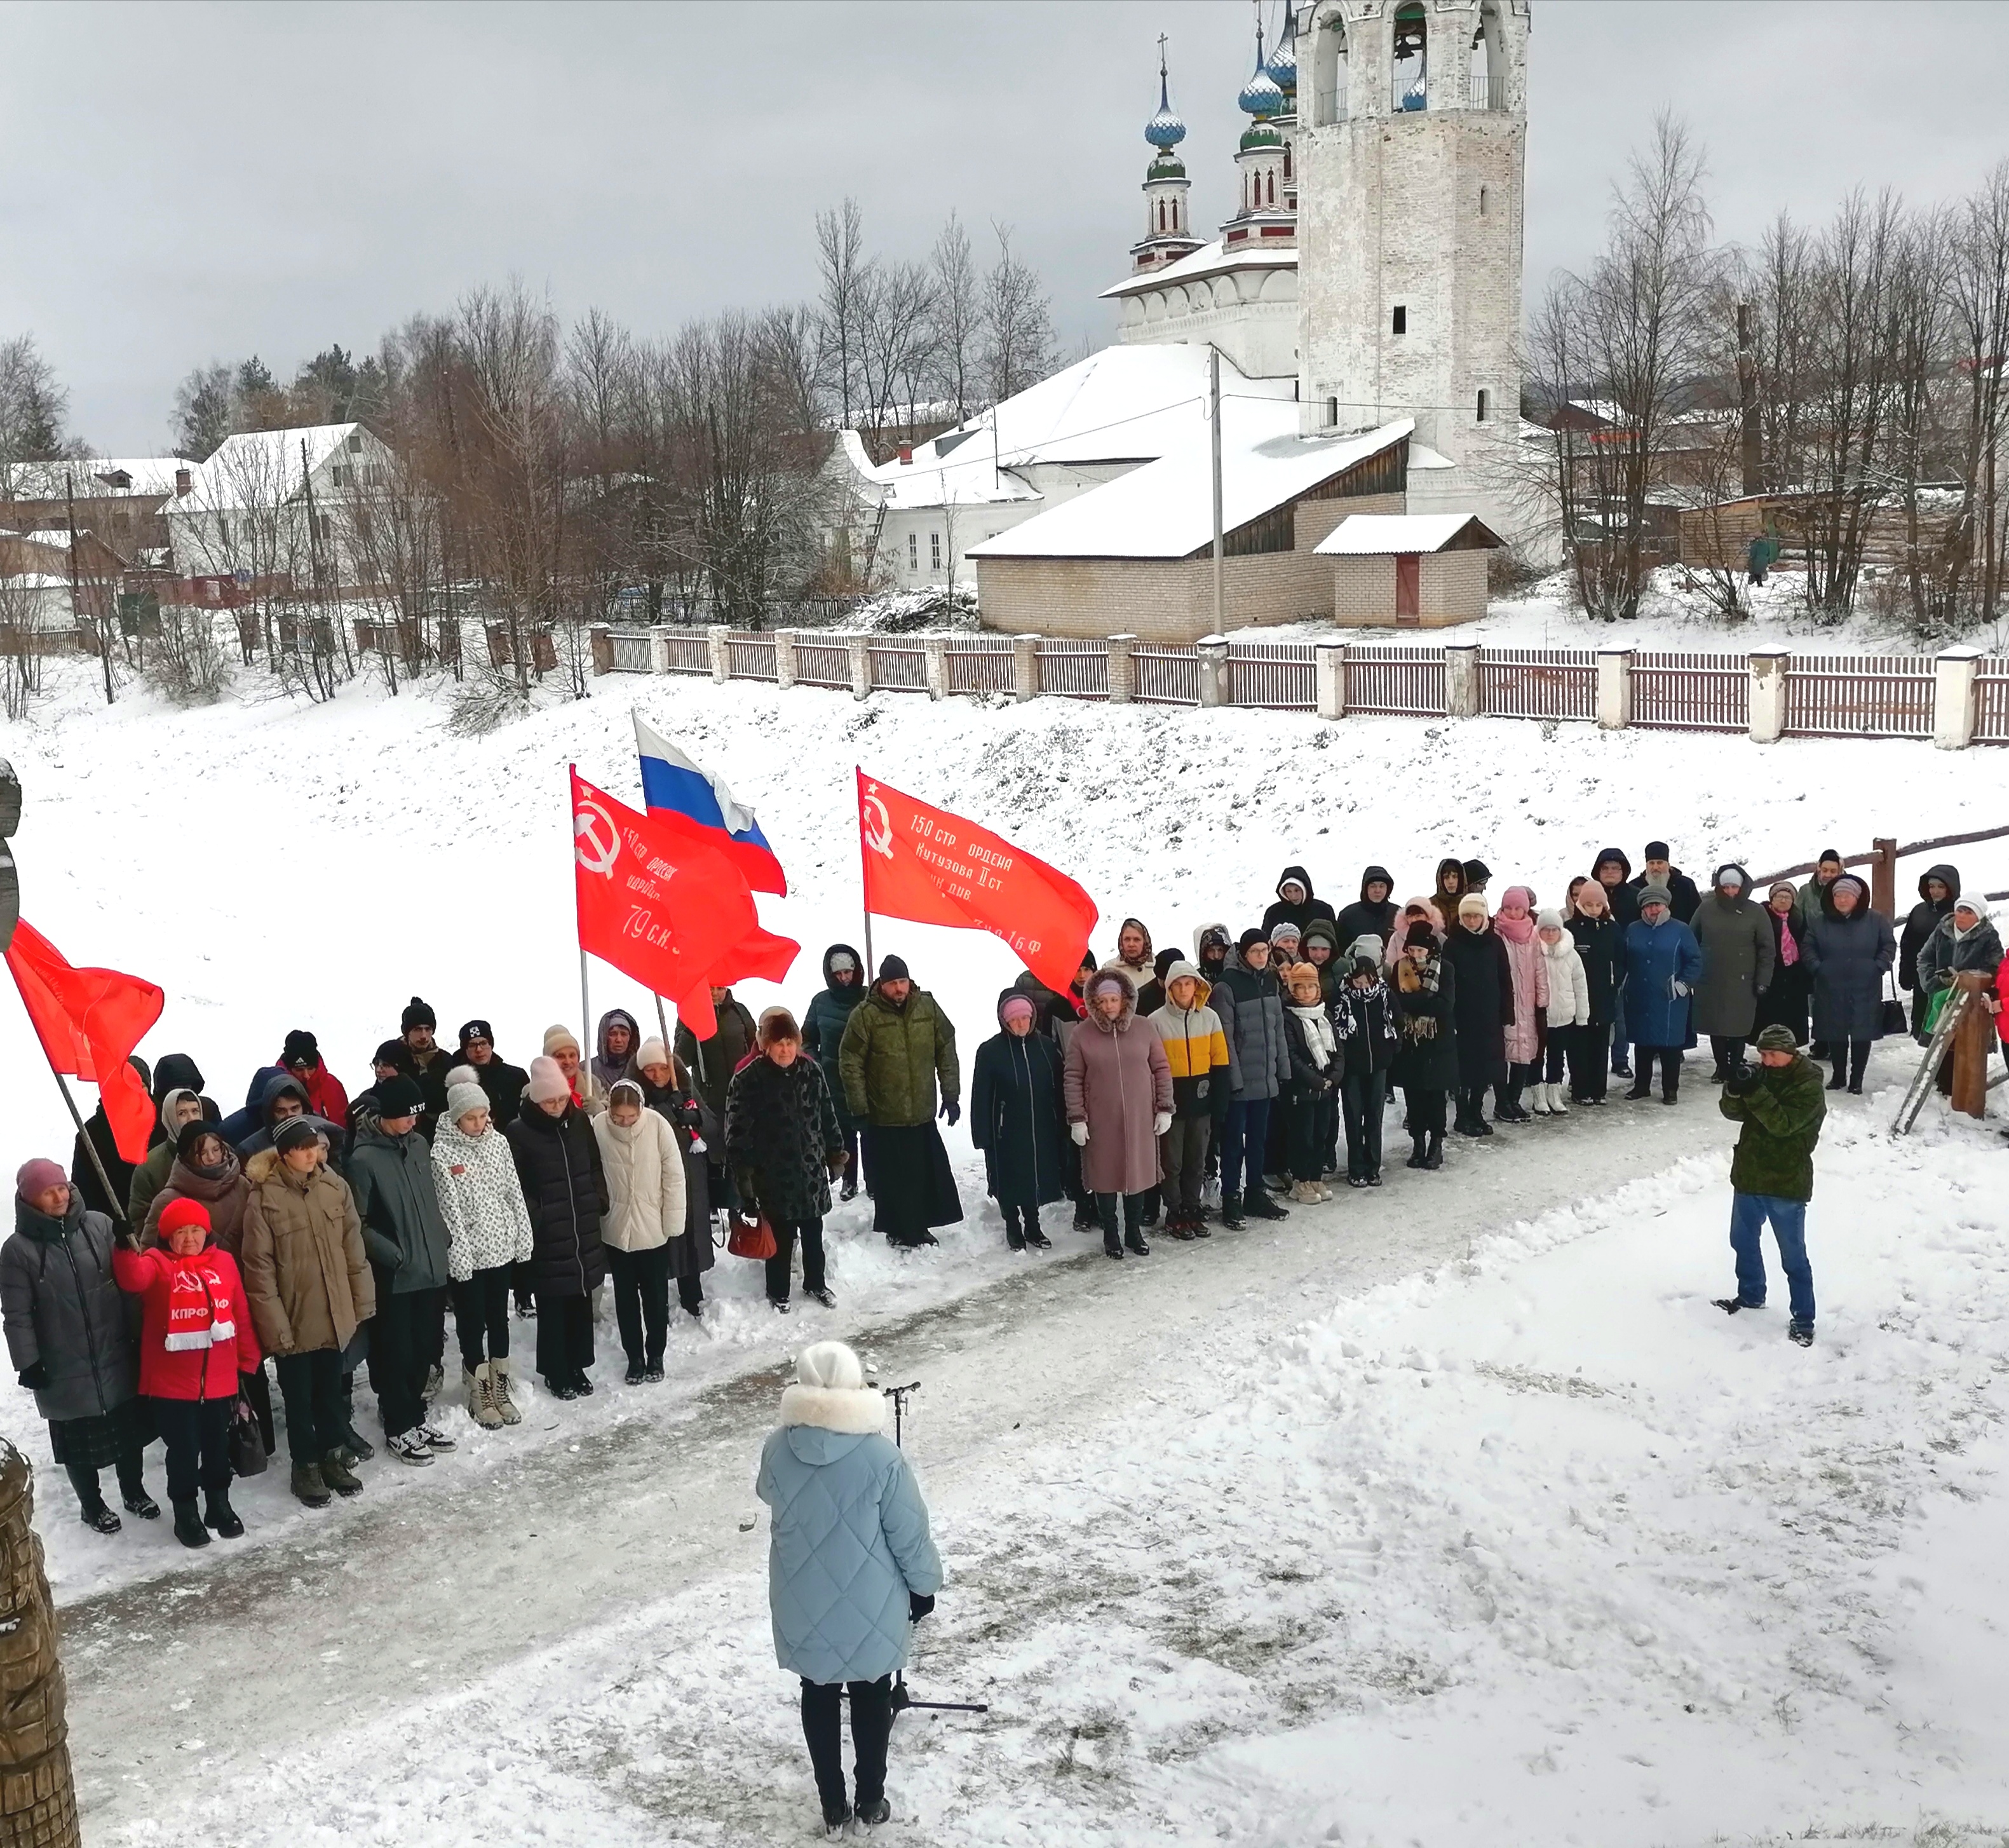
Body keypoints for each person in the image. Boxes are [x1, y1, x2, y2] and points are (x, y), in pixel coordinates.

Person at [756, 1342, 942, 1837]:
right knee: (870, 1691)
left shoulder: (777, 1447)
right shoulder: (882, 1456)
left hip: (802, 1597)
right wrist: (924, 1588)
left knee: (817, 1692)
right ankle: (870, 1801)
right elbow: (910, 1533)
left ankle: (832, 1805)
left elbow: (767, 1493)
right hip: (870, 1599)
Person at [3, 1159, 158, 1533]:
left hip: (114, 1347)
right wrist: (29, 1362)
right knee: (77, 1441)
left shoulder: (100, 1226)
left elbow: (126, 1284)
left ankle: (133, 1491)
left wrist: (140, 1330)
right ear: (29, 1199)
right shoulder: (18, 1251)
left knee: (128, 1430)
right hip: (62, 1361)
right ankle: (92, 1505)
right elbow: (17, 1314)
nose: (59, 1196)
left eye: (62, 1187)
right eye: (47, 1192)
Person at [112, 1197, 259, 1550]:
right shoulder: (157, 1263)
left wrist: (248, 1358)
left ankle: (219, 1504)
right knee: (183, 1449)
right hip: (173, 1386)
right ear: (167, 1237)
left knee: (216, 1446)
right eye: (181, 1232)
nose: (190, 1238)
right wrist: (122, 1247)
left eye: (196, 1230)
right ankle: (186, 1512)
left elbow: (238, 1311)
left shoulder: (223, 1262)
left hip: (219, 1379)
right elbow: (133, 1279)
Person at [241, 1118, 374, 1505]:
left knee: (331, 1393)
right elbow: (259, 1270)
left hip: (333, 1313)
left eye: (314, 1146)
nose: (311, 1154)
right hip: (295, 1319)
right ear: (284, 1154)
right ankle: (305, 1466)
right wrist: (276, 1326)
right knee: (299, 1400)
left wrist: (360, 1301)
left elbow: (353, 1247)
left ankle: (333, 1457)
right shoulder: (263, 1197)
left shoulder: (334, 1187)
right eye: (302, 1148)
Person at [349, 1074, 457, 1460]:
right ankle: (398, 1424)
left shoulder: (419, 1145)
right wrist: (394, 1255)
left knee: (427, 1348)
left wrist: (440, 1237)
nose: (413, 1122)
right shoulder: (363, 1159)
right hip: (395, 1276)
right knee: (397, 1352)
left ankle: (417, 1416)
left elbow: (430, 1200)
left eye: (416, 1116)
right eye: (406, 1117)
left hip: (430, 1268)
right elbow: (356, 1223)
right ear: (386, 1116)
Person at [838, 956, 962, 1250]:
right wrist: (859, 1108)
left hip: (921, 1110)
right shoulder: (865, 1015)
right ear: (881, 984)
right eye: (893, 983)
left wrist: (951, 1094)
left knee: (924, 1174)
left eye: (902, 981)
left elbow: (946, 1046)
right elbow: (850, 1061)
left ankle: (920, 1226)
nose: (899, 988)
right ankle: (897, 1229)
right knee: (894, 1178)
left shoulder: (927, 1007)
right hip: (885, 1113)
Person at [1715, 1023, 1827, 1347]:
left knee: (1793, 1256)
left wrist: (1754, 1092)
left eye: (1772, 1055)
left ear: (1790, 1054)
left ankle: (1804, 1319)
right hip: (1750, 1174)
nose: (1765, 1061)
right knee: (1742, 1241)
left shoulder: (1809, 1086)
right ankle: (1751, 1295)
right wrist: (1734, 1088)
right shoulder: (1760, 1075)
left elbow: (1783, 1125)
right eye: (1762, 1054)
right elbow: (1732, 1112)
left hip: (1786, 1180)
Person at [727, 1010, 846, 1311]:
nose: (785, 1050)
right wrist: (744, 1177)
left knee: (813, 1233)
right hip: (772, 1175)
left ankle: (816, 1284)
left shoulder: (812, 1072)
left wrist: (835, 1154)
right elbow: (737, 1132)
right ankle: (778, 1291)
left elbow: (827, 1116)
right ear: (766, 1045)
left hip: (810, 1172)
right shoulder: (748, 1079)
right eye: (778, 1044)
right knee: (779, 1238)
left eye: (790, 1043)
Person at [431, 1078, 534, 1423]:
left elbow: (513, 1192)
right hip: (470, 1254)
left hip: (500, 1247)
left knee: (498, 1318)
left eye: (483, 1116)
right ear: (457, 1118)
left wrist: (522, 1234)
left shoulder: (499, 1144)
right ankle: (479, 1389)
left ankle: (500, 1381)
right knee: (472, 1322)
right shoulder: (442, 1153)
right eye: (471, 1118)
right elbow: (449, 1210)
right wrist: (458, 1254)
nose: (479, 1124)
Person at [506, 1057, 609, 1398]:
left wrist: (598, 1198)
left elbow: (594, 1165)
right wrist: (541, 1217)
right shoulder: (519, 1132)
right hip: (549, 1233)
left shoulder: (578, 1121)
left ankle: (578, 1365)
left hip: (582, 1226)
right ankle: (555, 1371)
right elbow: (518, 1186)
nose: (558, 1106)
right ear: (536, 1100)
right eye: (551, 1101)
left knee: (580, 1301)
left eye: (562, 1099)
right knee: (554, 1306)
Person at [1065, 969, 1174, 1258]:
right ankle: (1111, 1233)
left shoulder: (1144, 1028)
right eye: (1104, 1001)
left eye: (1115, 999)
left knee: (1136, 1174)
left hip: (1140, 1118)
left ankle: (1133, 1232)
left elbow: (1161, 1069)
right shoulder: (1081, 1034)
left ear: (1125, 999)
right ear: (1095, 1003)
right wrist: (1077, 1118)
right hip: (1101, 1119)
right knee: (1105, 1176)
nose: (1110, 1005)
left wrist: (1164, 1108)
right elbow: (1073, 1077)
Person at [593, 1077, 688, 1371]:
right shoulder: (598, 1127)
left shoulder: (658, 1126)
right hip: (616, 1229)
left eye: (631, 1117)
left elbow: (673, 1176)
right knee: (625, 1298)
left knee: (656, 1297)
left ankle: (656, 1354)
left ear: (641, 1110)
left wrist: (672, 1221)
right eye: (618, 1117)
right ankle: (634, 1356)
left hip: (652, 1229)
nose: (624, 1122)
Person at [968, 992, 1066, 1251]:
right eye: (1015, 1019)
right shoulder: (990, 1052)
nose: (1022, 1023)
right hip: (1005, 1130)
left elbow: (1059, 1088)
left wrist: (1063, 1123)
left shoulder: (1045, 1047)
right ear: (1005, 1021)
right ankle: (1012, 1226)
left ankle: (1033, 1226)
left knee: (1034, 1175)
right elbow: (981, 1096)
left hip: (1040, 1125)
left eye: (1026, 1017)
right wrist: (982, 1134)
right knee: (1009, 1179)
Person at [1211, 930, 1291, 1229]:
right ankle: (1231, 1196)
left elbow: (1278, 1028)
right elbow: (1226, 1039)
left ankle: (1255, 1192)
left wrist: (1282, 1069)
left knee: (1259, 1139)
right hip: (1241, 1082)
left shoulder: (1270, 980)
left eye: (1264, 951)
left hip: (1265, 1078)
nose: (1261, 956)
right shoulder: (1227, 986)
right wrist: (1233, 1079)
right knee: (1234, 1144)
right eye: (1255, 951)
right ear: (1244, 953)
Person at [1146, 960, 1231, 1237]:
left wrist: (1220, 1101)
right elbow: (1151, 1067)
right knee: (1172, 1163)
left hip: (1202, 1102)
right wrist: (1159, 1104)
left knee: (1197, 1161)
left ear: (1197, 986)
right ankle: (1174, 1210)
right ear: (1169, 988)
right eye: (1178, 985)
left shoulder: (1210, 1018)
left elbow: (1220, 1062)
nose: (1184, 989)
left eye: (1189, 983)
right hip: (1171, 1105)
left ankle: (1192, 1208)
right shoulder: (1155, 1022)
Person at [634, 1038, 715, 1317]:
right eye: (649, 1070)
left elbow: (713, 1125)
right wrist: (670, 1111)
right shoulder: (639, 1101)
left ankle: (692, 1293)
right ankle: (658, 1301)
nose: (657, 1076)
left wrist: (697, 1117)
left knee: (689, 1231)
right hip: (656, 1177)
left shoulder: (686, 1090)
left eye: (662, 1068)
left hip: (691, 1173)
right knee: (661, 1237)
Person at [1801, 874, 1896, 1094]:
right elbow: (1808, 947)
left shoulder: (1876, 920)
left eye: (1847, 895)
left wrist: (1878, 966)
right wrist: (1818, 968)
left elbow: (1889, 945)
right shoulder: (1820, 921)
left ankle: (1857, 1079)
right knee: (1836, 1033)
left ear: (1858, 897)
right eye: (1838, 895)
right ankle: (1838, 1076)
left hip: (1866, 986)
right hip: (1830, 986)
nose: (1842, 900)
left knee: (1862, 1034)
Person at [1691, 865, 1776, 1082]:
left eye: (1734, 887)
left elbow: (1767, 949)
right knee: (1716, 1026)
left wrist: (1763, 980)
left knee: (1738, 1026)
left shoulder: (1756, 912)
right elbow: (1691, 940)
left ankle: (1736, 1064)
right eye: (1726, 886)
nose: (1730, 891)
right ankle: (1721, 1067)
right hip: (1711, 978)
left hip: (1743, 980)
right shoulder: (1706, 909)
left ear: (1742, 887)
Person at [675, 988, 759, 1201]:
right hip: (709, 1096)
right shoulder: (689, 1016)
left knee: (744, 1146)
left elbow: (756, 1048)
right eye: (710, 988)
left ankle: (748, 1200)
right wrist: (692, 1029)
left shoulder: (740, 1012)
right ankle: (714, 1201)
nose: (714, 993)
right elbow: (681, 1060)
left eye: (719, 988)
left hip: (743, 1093)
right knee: (713, 1150)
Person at [1623, 885, 1705, 1104]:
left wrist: (1683, 985)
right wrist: (1625, 984)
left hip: (1670, 998)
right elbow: (1623, 959)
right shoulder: (1633, 929)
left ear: (1666, 905)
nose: (1653, 910)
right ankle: (1641, 1086)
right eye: (1649, 905)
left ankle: (1671, 1090)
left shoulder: (1681, 930)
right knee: (1643, 1045)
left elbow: (1695, 960)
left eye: (1657, 904)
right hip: (1640, 995)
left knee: (1670, 1046)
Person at [801, 946, 868, 1198]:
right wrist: (817, 1062)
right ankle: (849, 1180)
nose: (844, 978)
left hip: (866, 1077)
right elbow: (806, 1038)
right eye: (838, 973)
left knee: (870, 1132)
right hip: (833, 1078)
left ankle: (874, 1182)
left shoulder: (869, 998)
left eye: (848, 972)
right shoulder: (820, 1002)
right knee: (843, 1133)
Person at [1444, 895, 1513, 1136]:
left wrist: (1507, 1012)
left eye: (1476, 916)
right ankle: (1463, 1116)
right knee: (1465, 1069)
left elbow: (1505, 979)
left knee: (1487, 1068)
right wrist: (1449, 1018)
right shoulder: (1452, 944)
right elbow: (1447, 984)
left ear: (1484, 917)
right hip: (1463, 1018)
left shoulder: (1494, 942)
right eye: (1467, 916)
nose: (1472, 920)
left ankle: (1477, 1111)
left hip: (1489, 1016)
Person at [1332, 938, 1399, 1184]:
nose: (1362, 986)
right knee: (1353, 1116)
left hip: (1378, 1066)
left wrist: (1390, 1052)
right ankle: (1356, 1167)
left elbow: (1396, 1023)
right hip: (1352, 1069)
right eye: (1357, 981)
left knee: (1374, 1116)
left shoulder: (1384, 995)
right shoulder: (1343, 998)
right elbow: (1337, 1031)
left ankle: (1373, 1166)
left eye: (1367, 980)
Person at [1391, 921, 1456, 1169]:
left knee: (1435, 1096)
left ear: (1430, 950)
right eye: (1412, 950)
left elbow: (1445, 1005)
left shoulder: (1446, 969)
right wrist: (1426, 998)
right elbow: (1397, 1002)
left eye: (1421, 951)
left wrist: (1413, 1001)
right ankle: (1418, 1144)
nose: (1416, 955)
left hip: (1438, 1043)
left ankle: (1436, 1145)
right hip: (1411, 1043)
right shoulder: (1400, 968)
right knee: (1414, 1096)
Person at [1279, 961, 1339, 1204]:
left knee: (1321, 1135)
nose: (1306, 992)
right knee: (1302, 1137)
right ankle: (1300, 1182)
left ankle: (1316, 1178)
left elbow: (1338, 1050)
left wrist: (1333, 1077)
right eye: (1300, 987)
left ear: (1318, 989)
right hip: (1302, 1090)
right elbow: (1292, 1056)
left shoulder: (1325, 1015)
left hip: (1325, 1089)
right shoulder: (1289, 1018)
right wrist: (1315, 1079)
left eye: (1310, 987)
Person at [68, 1054, 152, 1221]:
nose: (135, 1091)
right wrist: (110, 1225)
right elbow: (84, 1194)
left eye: (141, 1085)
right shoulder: (91, 1134)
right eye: (128, 1085)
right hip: (114, 1233)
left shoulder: (163, 1124)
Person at [1492, 887, 1548, 1122]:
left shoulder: (1533, 935)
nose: (1513, 913)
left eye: (1518, 908)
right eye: (1509, 908)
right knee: (1502, 1053)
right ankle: (1501, 1102)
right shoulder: (1495, 933)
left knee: (1525, 1051)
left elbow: (1540, 969)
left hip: (1527, 1003)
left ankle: (1514, 1101)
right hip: (1504, 1004)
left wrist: (1542, 1000)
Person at [1564, 881, 1621, 1104]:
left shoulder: (1612, 928)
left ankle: (1599, 1090)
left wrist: (1615, 980)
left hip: (1604, 995)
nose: (1594, 909)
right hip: (1578, 996)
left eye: (1598, 904)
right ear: (1580, 904)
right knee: (1579, 1045)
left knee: (1600, 1045)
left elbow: (1621, 957)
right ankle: (1580, 1090)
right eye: (1589, 904)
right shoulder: (1571, 928)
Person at [1534, 909, 1590, 1116]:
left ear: (1561, 931)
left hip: (1564, 1016)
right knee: (1536, 1057)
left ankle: (1554, 1093)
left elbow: (1580, 986)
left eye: (1554, 930)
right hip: (1539, 1016)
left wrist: (1582, 1015)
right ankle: (1538, 1095)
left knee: (1557, 1057)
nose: (1550, 934)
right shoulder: (1533, 953)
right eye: (1545, 930)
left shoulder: (1571, 955)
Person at [126, 1087, 208, 1227]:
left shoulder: (220, 1152)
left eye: (195, 1111)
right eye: (182, 1113)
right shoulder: (149, 1168)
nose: (191, 1119)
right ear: (169, 1118)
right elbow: (141, 1221)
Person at [1592, 848, 1640, 1078]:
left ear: (1624, 871)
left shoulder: (1635, 896)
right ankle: (1595, 1060)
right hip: (1593, 964)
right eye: (1605, 868)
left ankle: (1620, 1059)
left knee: (1621, 1018)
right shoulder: (1591, 894)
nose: (1610, 872)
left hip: (1626, 964)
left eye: (1615, 868)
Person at [1903, 868, 1968, 1033]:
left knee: (1948, 1030)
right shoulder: (1919, 911)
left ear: (1951, 887)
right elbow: (1908, 944)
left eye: (1941, 886)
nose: (1935, 891)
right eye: (1932, 886)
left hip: (1951, 982)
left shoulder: (1961, 913)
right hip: (1923, 978)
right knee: (1924, 1028)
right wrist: (1906, 973)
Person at [1752, 882, 1811, 1049]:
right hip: (1771, 974)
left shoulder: (1798, 919)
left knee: (1792, 1018)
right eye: (1779, 897)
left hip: (1793, 976)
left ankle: (1789, 1050)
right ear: (1772, 899)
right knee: (1769, 1017)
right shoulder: (1762, 917)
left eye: (1788, 897)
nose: (1784, 900)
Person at [457, 1019, 530, 1130]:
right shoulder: (457, 1082)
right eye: (472, 1045)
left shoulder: (516, 1077)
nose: (479, 1050)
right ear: (465, 1049)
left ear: (491, 1044)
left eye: (483, 1043)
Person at [398, 998, 455, 1138]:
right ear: (407, 1032)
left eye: (428, 1029)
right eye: (417, 1029)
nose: (423, 1036)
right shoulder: (395, 1057)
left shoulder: (446, 1060)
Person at [234, 1072, 313, 1162]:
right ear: (270, 1113)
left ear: (304, 1108)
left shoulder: (322, 1132)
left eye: (295, 1109)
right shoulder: (250, 1151)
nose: (289, 1116)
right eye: (281, 1111)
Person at [541, 1023, 606, 1119]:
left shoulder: (592, 1081)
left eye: (572, 1055)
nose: (568, 1062)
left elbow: (615, 1113)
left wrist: (602, 1109)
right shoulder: (535, 1090)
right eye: (560, 1056)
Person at [1334, 866, 1399, 956]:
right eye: (1373, 886)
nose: (1378, 891)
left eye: (1382, 886)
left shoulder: (1398, 914)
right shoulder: (1348, 916)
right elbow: (1340, 951)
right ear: (1365, 888)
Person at [1630, 843, 1701, 925]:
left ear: (1668, 864)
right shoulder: (1635, 887)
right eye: (1652, 863)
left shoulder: (1685, 885)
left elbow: (1697, 916)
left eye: (1660, 863)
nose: (1656, 867)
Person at [1107, 918, 1163, 1015]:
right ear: (1121, 941)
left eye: (1137, 940)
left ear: (1145, 941)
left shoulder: (1159, 966)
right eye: (1127, 939)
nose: (1131, 944)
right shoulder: (1110, 970)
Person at [1263, 866, 1335, 936]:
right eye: (1289, 891)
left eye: (1297, 890)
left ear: (1305, 889)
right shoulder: (1273, 913)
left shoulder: (1324, 911)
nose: (1293, 896)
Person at [592, 1009, 642, 1099]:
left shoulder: (641, 1070)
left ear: (631, 1038)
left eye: (624, 1034)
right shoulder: (587, 1069)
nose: (618, 1040)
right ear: (604, 1037)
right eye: (613, 1034)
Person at [1431, 859, 1467, 929]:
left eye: (1455, 877)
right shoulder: (1431, 905)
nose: (1451, 881)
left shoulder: (1471, 904)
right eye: (1446, 877)